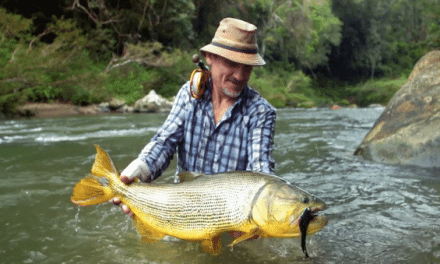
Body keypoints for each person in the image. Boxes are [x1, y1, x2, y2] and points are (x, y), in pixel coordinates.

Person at [113, 18, 276, 220]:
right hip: (181, 210)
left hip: (232, 216)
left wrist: (262, 209)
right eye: (232, 63)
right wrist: (135, 173)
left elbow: (260, 171)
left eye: (247, 67)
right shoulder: (188, 94)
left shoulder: (261, 112)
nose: (240, 75)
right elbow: (164, 144)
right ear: (209, 57)